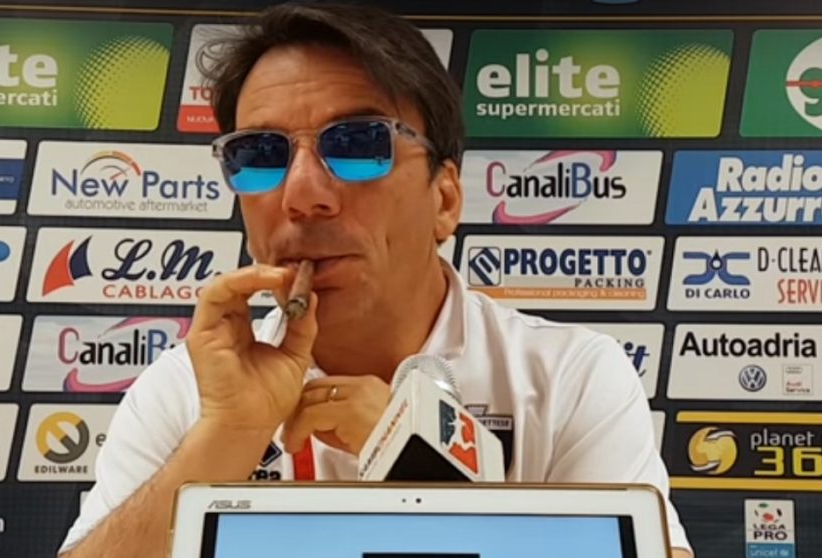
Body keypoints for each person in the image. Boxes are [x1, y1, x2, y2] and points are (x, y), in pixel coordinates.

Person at [57, 3, 694, 557]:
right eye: (261, 154)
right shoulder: (186, 391)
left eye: (358, 144)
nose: (303, 195)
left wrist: (419, 469)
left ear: (446, 199)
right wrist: (227, 437)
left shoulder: (569, 377)